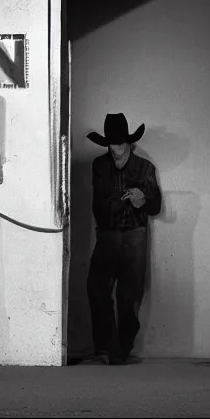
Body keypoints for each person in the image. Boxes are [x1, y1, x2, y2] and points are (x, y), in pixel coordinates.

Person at [83, 113, 162, 365]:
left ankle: (121, 350)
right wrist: (118, 203)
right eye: (112, 143)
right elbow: (97, 205)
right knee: (96, 290)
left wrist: (142, 199)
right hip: (106, 235)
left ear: (130, 143)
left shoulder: (145, 168)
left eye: (120, 143)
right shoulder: (99, 165)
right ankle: (108, 347)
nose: (116, 149)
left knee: (130, 297)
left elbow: (156, 207)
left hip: (134, 237)